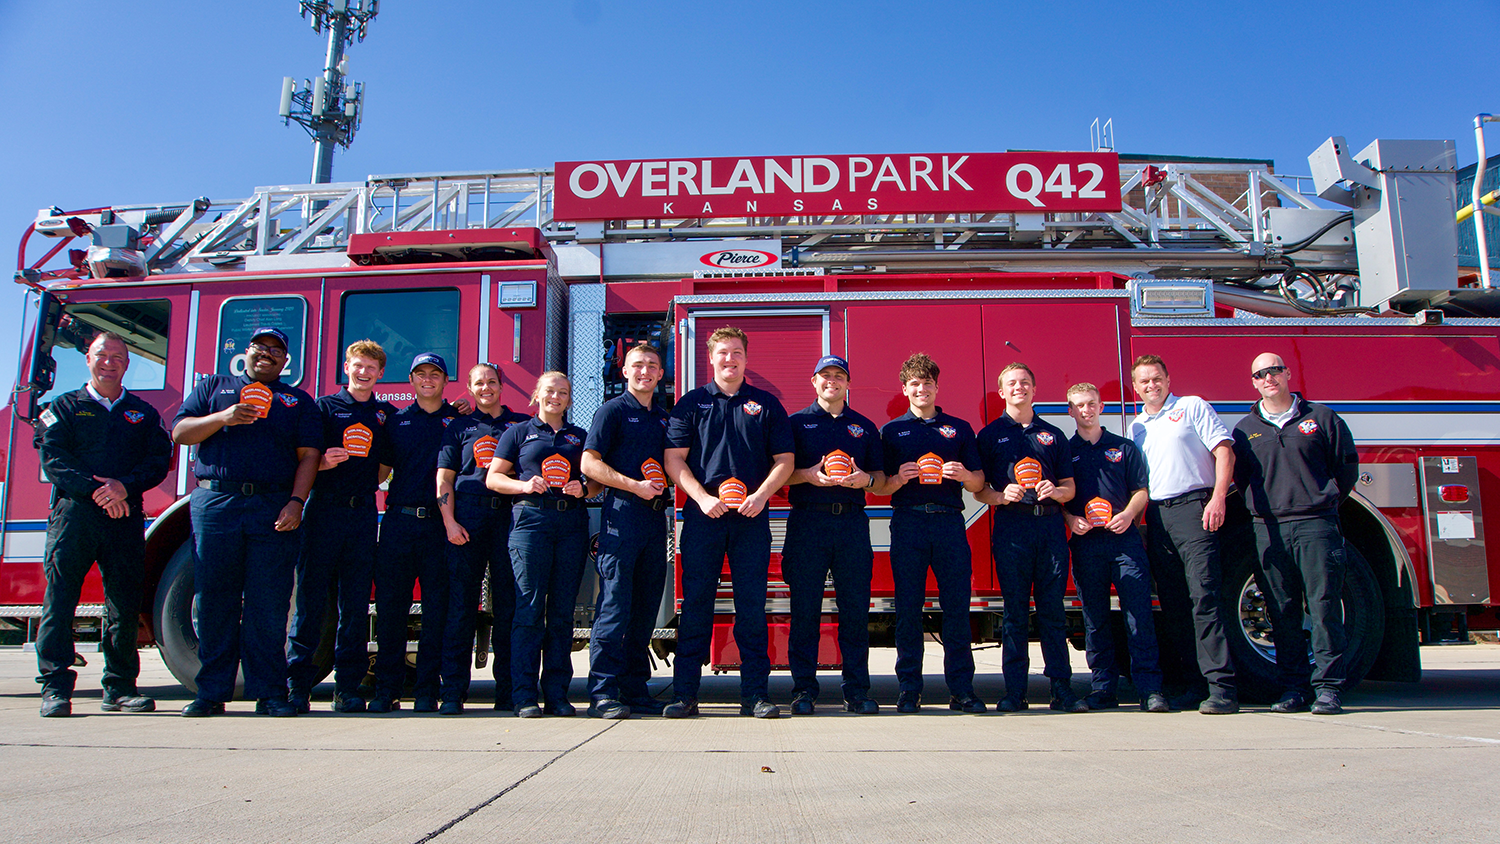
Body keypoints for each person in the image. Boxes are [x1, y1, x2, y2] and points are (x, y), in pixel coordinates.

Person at [171, 327, 321, 717]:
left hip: (272, 507)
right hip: (216, 502)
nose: (267, 354)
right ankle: (211, 692)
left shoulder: (297, 401)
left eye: (276, 350)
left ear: (285, 361)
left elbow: (308, 456)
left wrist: (296, 502)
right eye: (260, 347)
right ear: (246, 352)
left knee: (268, 603)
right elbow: (180, 432)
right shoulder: (213, 388)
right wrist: (224, 417)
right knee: (214, 599)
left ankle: (269, 693)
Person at [34, 332, 172, 717]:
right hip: (74, 516)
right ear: (88, 359)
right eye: (102, 355)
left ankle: (120, 688)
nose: (109, 362)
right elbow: (53, 458)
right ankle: (55, 688)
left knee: (124, 605)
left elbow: (158, 461)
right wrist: (99, 492)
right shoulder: (63, 407)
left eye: (117, 357)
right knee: (60, 601)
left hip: (124, 518)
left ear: (127, 364)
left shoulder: (143, 414)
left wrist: (124, 487)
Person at [664, 326, 794, 719]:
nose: (730, 359)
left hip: (750, 520)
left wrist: (761, 496)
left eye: (737, 352)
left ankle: (755, 696)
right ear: (711, 358)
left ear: (746, 359)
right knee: (696, 606)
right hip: (704, 518)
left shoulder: (766, 405)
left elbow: (785, 461)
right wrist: (701, 498)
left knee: (751, 607)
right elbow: (674, 460)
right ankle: (685, 695)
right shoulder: (691, 404)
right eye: (723, 352)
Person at [1232, 353, 1358, 715]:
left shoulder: (1322, 418)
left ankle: (1329, 688)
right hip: (1269, 529)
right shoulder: (1245, 430)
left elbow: (1346, 467)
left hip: (1316, 525)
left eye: (1274, 370)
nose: (1268, 378)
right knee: (1281, 609)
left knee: (1323, 606)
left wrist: (1323, 500)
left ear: (1287, 373)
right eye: (1260, 374)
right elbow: (1242, 479)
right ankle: (1294, 688)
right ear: (1253, 383)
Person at [286, 340, 394, 713]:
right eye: (358, 366)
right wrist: (322, 465)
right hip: (323, 512)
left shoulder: (384, 414)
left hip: (362, 514)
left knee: (355, 606)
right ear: (346, 368)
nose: (364, 372)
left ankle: (347, 689)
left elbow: (387, 462)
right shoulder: (323, 408)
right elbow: (299, 458)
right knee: (310, 602)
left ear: (381, 374)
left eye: (371, 368)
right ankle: (296, 686)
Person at [1128, 354, 1239, 714]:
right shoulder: (1137, 427)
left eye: (1156, 378)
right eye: (1144, 381)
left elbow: (1224, 452)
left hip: (1195, 509)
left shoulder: (1192, 406)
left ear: (1168, 379)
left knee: (1204, 597)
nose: (1152, 385)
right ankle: (1194, 685)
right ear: (1135, 387)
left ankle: (1222, 688)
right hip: (1159, 517)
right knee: (1175, 605)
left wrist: (1218, 498)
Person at [876, 353, 986, 714]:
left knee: (957, 608)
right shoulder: (892, 432)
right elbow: (880, 486)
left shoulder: (959, 428)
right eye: (914, 383)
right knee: (908, 609)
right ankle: (909, 690)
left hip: (949, 522)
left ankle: (962, 691)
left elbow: (979, 482)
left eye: (927, 383)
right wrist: (898, 479)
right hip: (908, 522)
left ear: (937, 387)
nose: (921, 389)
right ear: (904, 389)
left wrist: (964, 475)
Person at [487, 372, 599, 718]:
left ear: (569, 399)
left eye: (563, 392)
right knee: (529, 609)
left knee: (563, 614)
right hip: (530, 522)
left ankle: (556, 695)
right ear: (537, 394)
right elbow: (494, 478)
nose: (556, 397)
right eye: (550, 390)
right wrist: (522, 486)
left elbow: (596, 481)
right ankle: (523, 695)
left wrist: (585, 488)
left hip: (570, 524)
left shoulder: (579, 437)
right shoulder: (518, 432)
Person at [976, 363, 1084, 713]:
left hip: (1049, 528)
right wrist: (999, 495)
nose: (1018, 387)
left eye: (1025, 382)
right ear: (1001, 392)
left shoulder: (1054, 435)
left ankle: (1061, 689)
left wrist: (1057, 491)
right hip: (1012, 528)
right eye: (1011, 383)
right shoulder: (990, 436)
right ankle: (1014, 692)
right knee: (1014, 613)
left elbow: (1070, 488)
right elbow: (978, 490)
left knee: (1053, 611)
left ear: (1034, 390)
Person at [783, 355, 884, 715]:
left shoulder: (864, 427)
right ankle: (803, 691)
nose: (832, 381)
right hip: (808, 523)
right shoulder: (795, 424)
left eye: (839, 375)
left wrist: (866, 480)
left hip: (851, 524)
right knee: (804, 611)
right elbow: (778, 473)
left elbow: (881, 479)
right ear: (814, 381)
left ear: (848, 383)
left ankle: (856, 692)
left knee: (855, 611)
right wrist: (807, 476)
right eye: (824, 375)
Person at [1064, 382, 1169, 713]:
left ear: (1102, 407)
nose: (1086, 410)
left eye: (1091, 403)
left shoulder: (1124, 448)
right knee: (1095, 619)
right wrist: (1070, 519)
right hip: (1087, 544)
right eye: (1079, 405)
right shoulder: (1065, 452)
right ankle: (1103, 689)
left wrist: (1128, 514)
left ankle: (1150, 690)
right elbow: (1060, 498)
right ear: (1070, 411)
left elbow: (1141, 490)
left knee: (1138, 615)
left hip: (1125, 542)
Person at [367, 353, 463, 713]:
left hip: (439, 526)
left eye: (435, 374)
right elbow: (379, 472)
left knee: (437, 612)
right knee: (391, 609)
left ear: (445, 380)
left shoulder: (458, 421)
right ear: (411, 380)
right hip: (399, 522)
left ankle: (426, 691)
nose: (427, 380)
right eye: (420, 374)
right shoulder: (396, 421)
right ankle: (386, 691)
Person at [581, 343, 672, 719]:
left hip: (654, 521)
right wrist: (633, 485)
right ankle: (602, 693)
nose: (644, 371)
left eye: (652, 365)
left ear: (661, 374)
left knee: (644, 610)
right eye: (637, 365)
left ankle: (635, 690)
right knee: (614, 608)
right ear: (624, 371)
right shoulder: (612, 411)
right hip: (622, 518)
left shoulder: (664, 418)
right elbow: (589, 463)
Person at [434, 363, 528, 715]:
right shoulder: (458, 427)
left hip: (508, 516)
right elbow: (444, 478)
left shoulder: (520, 425)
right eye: (478, 383)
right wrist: (449, 522)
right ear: (470, 389)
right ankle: (452, 693)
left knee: (509, 607)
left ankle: (508, 692)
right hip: (467, 518)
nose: (485, 388)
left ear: (501, 385)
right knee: (460, 607)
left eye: (491, 382)